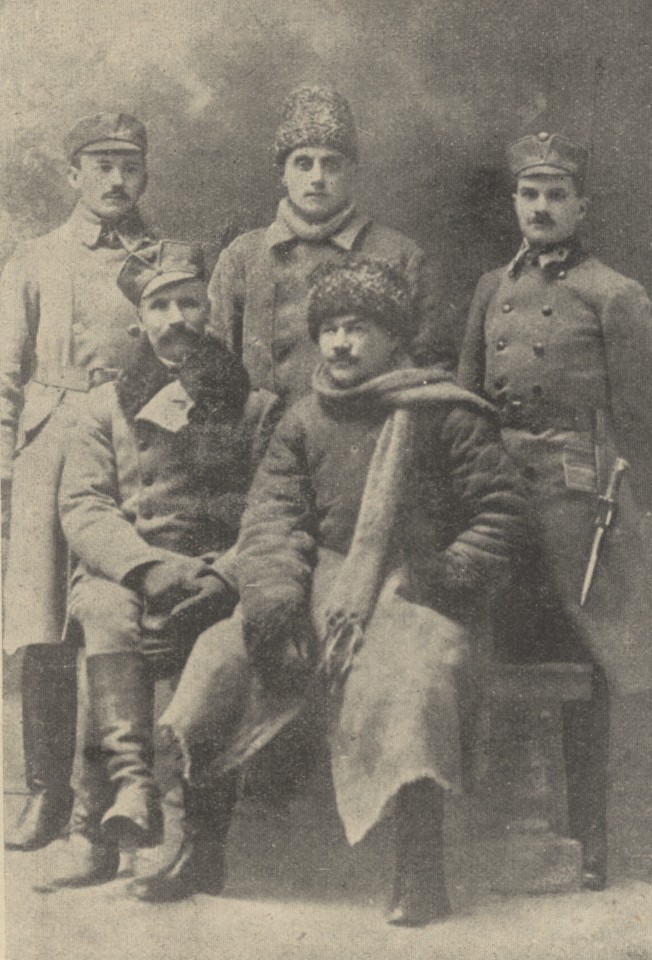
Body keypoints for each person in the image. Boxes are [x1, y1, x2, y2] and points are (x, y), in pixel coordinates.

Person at [133, 258, 527, 921]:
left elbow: (502, 514)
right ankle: (201, 849)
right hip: (317, 584)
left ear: (394, 337)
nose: (340, 344)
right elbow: (272, 522)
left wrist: (446, 574)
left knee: (415, 678)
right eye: (331, 329)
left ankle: (420, 871)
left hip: (415, 589)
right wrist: (275, 607)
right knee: (220, 657)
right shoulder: (303, 419)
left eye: (359, 328)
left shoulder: (446, 413)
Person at [36, 240, 279, 889]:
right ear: (139, 319)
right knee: (103, 612)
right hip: (132, 569)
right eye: (159, 306)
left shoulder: (256, 406)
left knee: (217, 640)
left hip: (213, 575)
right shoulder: (104, 405)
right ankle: (105, 821)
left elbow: (273, 513)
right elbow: (85, 505)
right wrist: (146, 570)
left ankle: (195, 841)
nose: (175, 319)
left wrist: (222, 578)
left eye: (188, 303)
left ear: (209, 310)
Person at [457, 132, 652, 890]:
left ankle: (590, 842)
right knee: (494, 651)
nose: (541, 207)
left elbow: (640, 418)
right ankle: (495, 838)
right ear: (515, 201)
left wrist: (635, 511)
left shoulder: (614, 293)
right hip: (498, 493)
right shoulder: (490, 288)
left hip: (578, 501)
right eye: (530, 193)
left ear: (581, 206)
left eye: (556, 195)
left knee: (588, 661)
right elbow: (466, 400)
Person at [1, 113, 155, 852]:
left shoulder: (165, 258)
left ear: (144, 174)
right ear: (73, 174)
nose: (116, 180)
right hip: (48, 439)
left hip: (128, 441)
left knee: (114, 609)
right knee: (41, 620)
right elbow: (4, 372)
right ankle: (46, 792)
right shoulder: (36, 257)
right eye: (101, 166)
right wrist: (4, 465)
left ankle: (119, 793)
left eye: (129, 166)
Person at [208, 84, 455, 412]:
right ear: (282, 173)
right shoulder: (243, 257)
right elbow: (213, 364)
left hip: (365, 434)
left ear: (352, 171)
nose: (317, 178)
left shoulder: (399, 256)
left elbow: (433, 373)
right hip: (262, 439)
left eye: (331, 164)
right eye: (303, 163)